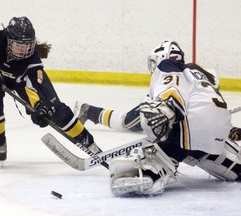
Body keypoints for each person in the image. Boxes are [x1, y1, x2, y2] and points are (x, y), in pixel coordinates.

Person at [75, 41, 241, 196]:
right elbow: (209, 109)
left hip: (185, 136)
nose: (154, 67)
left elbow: (132, 119)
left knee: (143, 165)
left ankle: (152, 169)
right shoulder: (202, 75)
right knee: (231, 163)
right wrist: (229, 130)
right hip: (214, 137)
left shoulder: (167, 67)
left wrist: (163, 109)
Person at [0, 16, 102, 162]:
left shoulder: (33, 60)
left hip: (21, 81)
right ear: (9, 40)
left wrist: (43, 107)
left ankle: (89, 143)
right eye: (19, 45)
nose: (23, 50)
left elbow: (40, 89)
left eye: (27, 45)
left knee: (56, 109)